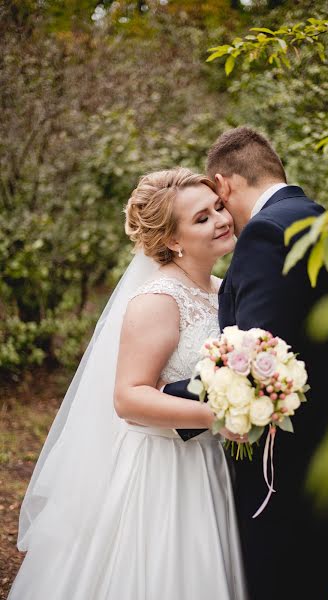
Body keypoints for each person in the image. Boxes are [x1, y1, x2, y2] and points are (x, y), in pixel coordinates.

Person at [164, 127, 328, 600]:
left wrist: (164, 395)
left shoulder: (265, 234)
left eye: (215, 205)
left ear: (222, 184)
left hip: (286, 476)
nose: (221, 218)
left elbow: (257, 362)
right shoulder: (323, 222)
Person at [8, 168, 249, 600]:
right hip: (166, 467)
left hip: (213, 461)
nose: (220, 219)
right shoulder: (158, 299)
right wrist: (220, 414)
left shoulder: (222, 290)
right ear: (173, 241)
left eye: (217, 207)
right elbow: (129, 397)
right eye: (201, 218)